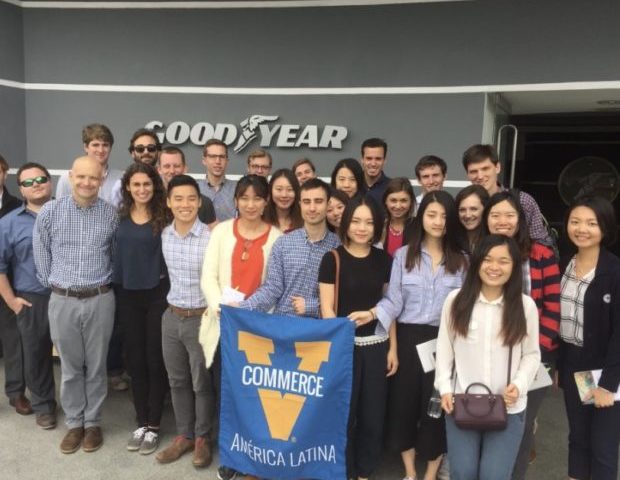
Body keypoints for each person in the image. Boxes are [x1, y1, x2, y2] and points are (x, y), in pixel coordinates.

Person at [376, 191, 468, 480]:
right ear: (422, 217)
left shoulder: (463, 260)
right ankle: (409, 473)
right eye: (432, 214)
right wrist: (391, 348)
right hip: (406, 338)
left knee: (436, 410)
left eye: (444, 216)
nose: (438, 221)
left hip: (444, 342)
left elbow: (465, 310)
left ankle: (430, 474)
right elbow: (393, 302)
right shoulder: (404, 255)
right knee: (402, 408)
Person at [435, 234, 541, 480]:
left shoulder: (525, 307)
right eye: (488, 259)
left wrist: (520, 384)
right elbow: (444, 350)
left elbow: (532, 355)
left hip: (509, 405)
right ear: (477, 262)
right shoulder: (456, 301)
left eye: (503, 261)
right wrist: (444, 388)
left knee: (494, 475)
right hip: (462, 401)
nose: (495, 267)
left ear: (514, 266)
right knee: (463, 473)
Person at [33, 156, 119, 454]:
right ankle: (74, 424)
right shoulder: (50, 212)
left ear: (101, 181)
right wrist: (56, 285)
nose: (86, 183)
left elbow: (114, 254)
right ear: (70, 176)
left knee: (96, 366)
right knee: (70, 367)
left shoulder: (111, 215)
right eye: (81, 177)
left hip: (100, 299)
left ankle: (93, 423)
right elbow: (41, 252)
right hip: (63, 299)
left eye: (93, 178)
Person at [198, 175, 282, 480]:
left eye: (257, 198)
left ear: (265, 202)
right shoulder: (221, 232)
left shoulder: (276, 237)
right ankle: (231, 454)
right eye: (244, 198)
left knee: (256, 397)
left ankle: (255, 455)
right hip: (224, 326)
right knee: (226, 393)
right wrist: (223, 309)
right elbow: (208, 276)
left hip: (258, 331)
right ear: (236, 201)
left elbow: (275, 287)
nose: (250, 204)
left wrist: (249, 314)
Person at [482, 191, 561, 480]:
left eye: (509, 215)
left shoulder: (541, 255)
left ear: (521, 219)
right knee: (486, 420)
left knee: (521, 424)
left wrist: (533, 356)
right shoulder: (479, 253)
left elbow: (553, 309)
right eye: (495, 215)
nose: (502, 221)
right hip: (488, 357)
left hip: (535, 356)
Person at [319, 196, 393, 480]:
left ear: (377, 226)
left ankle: (364, 472)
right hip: (343, 350)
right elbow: (327, 309)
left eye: (369, 222)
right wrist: (337, 346)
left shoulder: (385, 260)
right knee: (343, 415)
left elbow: (390, 307)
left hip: (376, 347)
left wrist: (392, 349)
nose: (362, 228)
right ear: (346, 222)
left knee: (373, 416)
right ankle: (343, 470)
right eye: (356, 221)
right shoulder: (332, 259)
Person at [558, 195, 620, 480]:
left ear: (604, 228)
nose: (581, 229)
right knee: (579, 438)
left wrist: (608, 385)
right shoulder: (564, 266)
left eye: (591, 223)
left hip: (606, 368)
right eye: (575, 221)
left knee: (604, 446)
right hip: (575, 364)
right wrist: (559, 366)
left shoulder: (614, 271)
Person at [156, 174, 214, 468]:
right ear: (168, 202)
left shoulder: (211, 238)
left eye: (191, 198)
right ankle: (184, 436)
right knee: (177, 381)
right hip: (171, 316)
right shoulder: (165, 235)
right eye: (178, 198)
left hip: (200, 319)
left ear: (199, 202)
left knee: (201, 382)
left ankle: (203, 438)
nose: (185, 204)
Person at [113, 163, 171, 455]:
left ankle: (155, 423)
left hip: (158, 294)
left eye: (147, 184)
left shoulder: (166, 217)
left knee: (154, 358)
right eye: (136, 185)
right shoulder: (119, 217)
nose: (142, 189)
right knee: (134, 359)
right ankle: (140, 421)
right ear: (127, 187)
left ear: (155, 186)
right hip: (127, 294)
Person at [0, 162, 57, 428]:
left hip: (69, 296)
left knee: (75, 356)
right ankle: (44, 405)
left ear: (50, 181)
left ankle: (80, 408)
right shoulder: (8, 224)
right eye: (28, 182)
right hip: (32, 299)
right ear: (20, 189)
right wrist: (12, 301)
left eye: (40, 180)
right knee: (36, 355)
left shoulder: (68, 213)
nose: (36, 186)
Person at [239, 178, 339, 317]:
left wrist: (311, 306)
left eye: (318, 201)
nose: (312, 208)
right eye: (306, 202)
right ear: (299, 204)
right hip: (282, 327)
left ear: (328, 205)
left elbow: (341, 298)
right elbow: (272, 289)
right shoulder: (283, 244)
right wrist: (241, 308)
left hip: (319, 331)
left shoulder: (338, 248)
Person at [462, 144, 551, 245]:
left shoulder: (522, 200)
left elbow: (542, 243)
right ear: (467, 174)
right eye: (474, 171)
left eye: (485, 169)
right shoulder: (464, 205)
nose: (480, 176)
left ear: (497, 167)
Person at [0, 153, 30, 416]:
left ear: (5, 173)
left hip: (6, 283)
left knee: (13, 342)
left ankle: (16, 393)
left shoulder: (16, 206)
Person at [55, 124, 123, 204]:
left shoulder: (121, 178)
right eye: (95, 145)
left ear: (110, 148)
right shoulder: (67, 179)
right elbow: (59, 210)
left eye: (105, 145)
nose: (101, 150)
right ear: (86, 147)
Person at [157, 146, 216, 228]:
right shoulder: (152, 203)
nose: (172, 171)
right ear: (159, 169)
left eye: (177, 166)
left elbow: (213, 236)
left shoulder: (204, 203)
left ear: (185, 168)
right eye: (167, 166)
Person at [200, 139, 237, 221]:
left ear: (227, 161)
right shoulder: (195, 189)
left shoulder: (238, 188)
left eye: (222, 157)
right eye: (213, 156)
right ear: (204, 160)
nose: (218, 161)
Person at [380, 177, 416, 257]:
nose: (398, 206)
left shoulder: (418, 227)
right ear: (386, 201)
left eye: (403, 201)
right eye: (393, 200)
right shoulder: (378, 225)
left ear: (411, 202)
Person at [263, 168, 302, 233]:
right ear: (270, 190)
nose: (284, 195)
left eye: (290, 190)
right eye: (279, 189)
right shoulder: (260, 218)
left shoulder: (304, 220)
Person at [455, 184, 489, 252]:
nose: (468, 215)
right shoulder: (451, 241)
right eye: (462, 210)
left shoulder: (493, 242)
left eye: (473, 209)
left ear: (486, 209)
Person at [360, 137, 391, 206]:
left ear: (384, 161)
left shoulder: (391, 188)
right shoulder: (353, 185)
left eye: (378, 159)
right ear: (362, 160)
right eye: (369, 158)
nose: (373, 164)